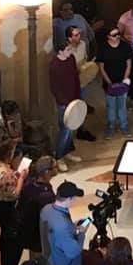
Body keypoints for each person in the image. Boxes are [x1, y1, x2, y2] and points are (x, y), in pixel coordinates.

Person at [0, 140, 26, 265]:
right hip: (7, 206)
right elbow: (15, 192)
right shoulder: (5, 172)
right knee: (14, 238)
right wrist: (21, 178)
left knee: (4, 233)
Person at [49, 33, 82, 167]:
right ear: (60, 51)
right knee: (65, 129)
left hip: (73, 99)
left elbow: (75, 78)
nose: (70, 51)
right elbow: (54, 87)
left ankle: (67, 152)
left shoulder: (71, 59)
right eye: (68, 50)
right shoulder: (55, 65)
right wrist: (65, 102)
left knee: (71, 127)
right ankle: (59, 156)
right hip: (63, 103)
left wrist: (77, 96)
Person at [17, 157, 57, 258]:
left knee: (33, 254)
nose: (57, 169)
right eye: (55, 167)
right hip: (38, 232)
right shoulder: (46, 195)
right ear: (47, 171)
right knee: (40, 258)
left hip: (28, 229)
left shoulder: (29, 183)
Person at [98, 25, 133, 138]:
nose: (117, 36)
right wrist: (109, 83)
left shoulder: (125, 46)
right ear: (108, 37)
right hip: (109, 82)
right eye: (114, 35)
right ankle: (111, 126)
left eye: (118, 34)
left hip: (122, 81)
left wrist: (124, 81)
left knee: (122, 105)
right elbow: (101, 68)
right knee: (111, 106)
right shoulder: (103, 48)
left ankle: (124, 126)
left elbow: (128, 65)